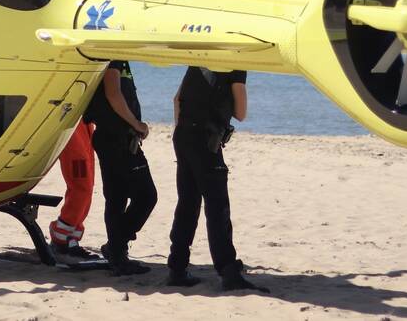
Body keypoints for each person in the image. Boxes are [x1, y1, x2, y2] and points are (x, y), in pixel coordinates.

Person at [166, 66, 268, 292]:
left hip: (182, 134)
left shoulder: (200, 59)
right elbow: (241, 113)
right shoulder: (236, 63)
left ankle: (177, 267)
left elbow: (177, 99)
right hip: (205, 137)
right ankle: (228, 272)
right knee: (217, 206)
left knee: (187, 203)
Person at [83, 60, 157, 275]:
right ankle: (116, 247)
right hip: (116, 137)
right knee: (146, 196)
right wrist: (137, 124)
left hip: (114, 137)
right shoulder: (111, 58)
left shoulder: (119, 58)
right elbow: (113, 94)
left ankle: (116, 252)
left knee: (116, 198)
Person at [48, 119, 99, 262]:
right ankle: (60, 237)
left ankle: (70, 237)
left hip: (83, 123)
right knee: (82, 184)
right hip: (70, 124)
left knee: (88, 184)